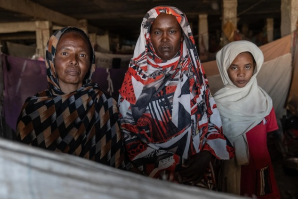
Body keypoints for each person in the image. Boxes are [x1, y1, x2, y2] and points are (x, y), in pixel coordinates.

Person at [118, 6, 234, 189]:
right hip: (154, 177)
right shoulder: (134, 81)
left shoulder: (195, 74)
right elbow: (127, 131)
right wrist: (167, 164)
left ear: (182, 35)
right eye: (158, 32)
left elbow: (212, 118)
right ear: (148, 36)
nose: (165, 39)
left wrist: (207, 152)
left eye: (172, 31)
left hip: (198, 173)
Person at [16, 27, 126, 170]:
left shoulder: (104, 104)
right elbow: (23, 166)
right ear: (52, 59)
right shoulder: (33, 108)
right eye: (65, 53)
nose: (73, 61)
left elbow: (114, 162)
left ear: (90, 63)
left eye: (82, 55)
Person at [214, 40, 280, 198]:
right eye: (234, 67)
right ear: (225, 69)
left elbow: (270, 135)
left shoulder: (264, 101)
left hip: (260, 168)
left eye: (247, 67)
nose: (241, 73)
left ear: (255, 68)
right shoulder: (217, 103)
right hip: (232, 169)